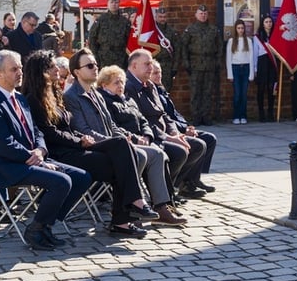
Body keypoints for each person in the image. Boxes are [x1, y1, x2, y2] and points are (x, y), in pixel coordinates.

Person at [23, 50, 167, 233]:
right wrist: (79, 140)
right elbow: (49, 133)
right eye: (51, 67)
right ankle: (131, 208)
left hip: (75, 146)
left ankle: (124, 217)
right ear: (41, 71)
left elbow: (73, 126)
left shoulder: (54, 92)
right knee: (120, 157)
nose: (57, 69)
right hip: (61, 153)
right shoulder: (35, 99)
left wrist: (80, 139)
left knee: (122, 149)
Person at [0, 50, 92, 250]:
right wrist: (34, 158)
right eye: (14, 69)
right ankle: (36, 229)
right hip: (9, 166)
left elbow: (36, 131)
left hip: (33, 158)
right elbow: (3, 144)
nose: (20, 72)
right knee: (62, 181)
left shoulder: (21, 99)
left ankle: (46, 223)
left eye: (20, 68)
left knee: (82, 177)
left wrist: (40, 150)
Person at [64, 51, 181, 231]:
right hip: (94, 147)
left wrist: (127, 138)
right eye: (89, 66)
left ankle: (161, 206)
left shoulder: (95, 93)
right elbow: (84, 131)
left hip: (113, 144)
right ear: (76, 72)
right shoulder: (71, 96)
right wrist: (117, 141)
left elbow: (111, 124)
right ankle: (131, 210)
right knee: (136, 155)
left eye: (95, 64)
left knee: (156, 153)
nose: (95, 68)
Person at [125, 49, 209, 197]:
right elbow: (139, 121)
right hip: (147, 136)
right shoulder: (128, 87)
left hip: (164, 134)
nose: (151, 67)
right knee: (179, 152)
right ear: (134, 66)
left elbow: (163, 114)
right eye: (147, 64)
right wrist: (169, 138)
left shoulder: (149, 85)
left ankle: (173, 187)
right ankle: (161, 196)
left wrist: (175, 133)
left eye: (151, 63)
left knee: (198, 145)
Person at [150, 59, 218, 195]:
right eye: (155, 73)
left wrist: (188, 126)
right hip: (169, 132)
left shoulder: (161, 89)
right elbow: (164, 118)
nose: (159, 76)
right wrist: (183, 130)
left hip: (179, 127)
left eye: (160, 72)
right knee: (198, 144)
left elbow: (174, 113)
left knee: (210, 138)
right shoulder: (152, 92)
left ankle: (194, 179)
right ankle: (184, 184)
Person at [182, 5, 223, 126]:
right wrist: (186, 62)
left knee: (208, 92)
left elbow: (220, 47)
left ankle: (206, 116)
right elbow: (183, 47)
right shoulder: (190, 29)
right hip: (195, 65)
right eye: (201, 13)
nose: (203, 15)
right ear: (196, 15)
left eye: (205, 13)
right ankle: (196, 117)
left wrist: (217, 62)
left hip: (210, 64)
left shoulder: (213, 30)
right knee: (195, 92)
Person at [87, 0, 131, 70]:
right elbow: (92, 38)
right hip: (103, 59)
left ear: (119, 4)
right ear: (107, 4)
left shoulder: (125, 22)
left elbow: (129, 41)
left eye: (116, 2)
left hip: (120, 59)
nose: (114, 4)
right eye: (111, 2)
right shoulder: (101, 20)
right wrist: (96, 56)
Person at [225, 20, 255, 124]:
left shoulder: (249, 41)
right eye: (238, 28)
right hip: (235, 68)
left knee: (244, 94)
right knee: (237, 94)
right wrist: (230, 74)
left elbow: (251, 58)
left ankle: (243, 115)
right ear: (235, 29)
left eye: (242, 28)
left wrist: (251, 73)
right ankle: (236, 116)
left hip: (246, 68)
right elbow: (228, 58)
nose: (240, 30)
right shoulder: (231, 41)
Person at [254, 14, 278, 122]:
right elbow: (255, 53)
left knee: (271, 88)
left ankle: (270, 112)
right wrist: (255, 68)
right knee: (261, 88)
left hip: (272, 63)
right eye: (266, 22)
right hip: (262, 63)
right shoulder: (258, 37)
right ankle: (261, 113)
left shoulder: (275, 35)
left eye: (270, 22)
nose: (268, 24)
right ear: (263, 24)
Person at [151, 7, 180, 91]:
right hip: (154, 64)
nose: (162, 19)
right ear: (156, 17)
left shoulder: (172, 32)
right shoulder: (151, 31)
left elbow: (177, 51)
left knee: (166, 90)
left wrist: (175, 67)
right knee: (153, 90)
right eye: (160, 17)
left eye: (164, 17)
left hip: (167, 66)